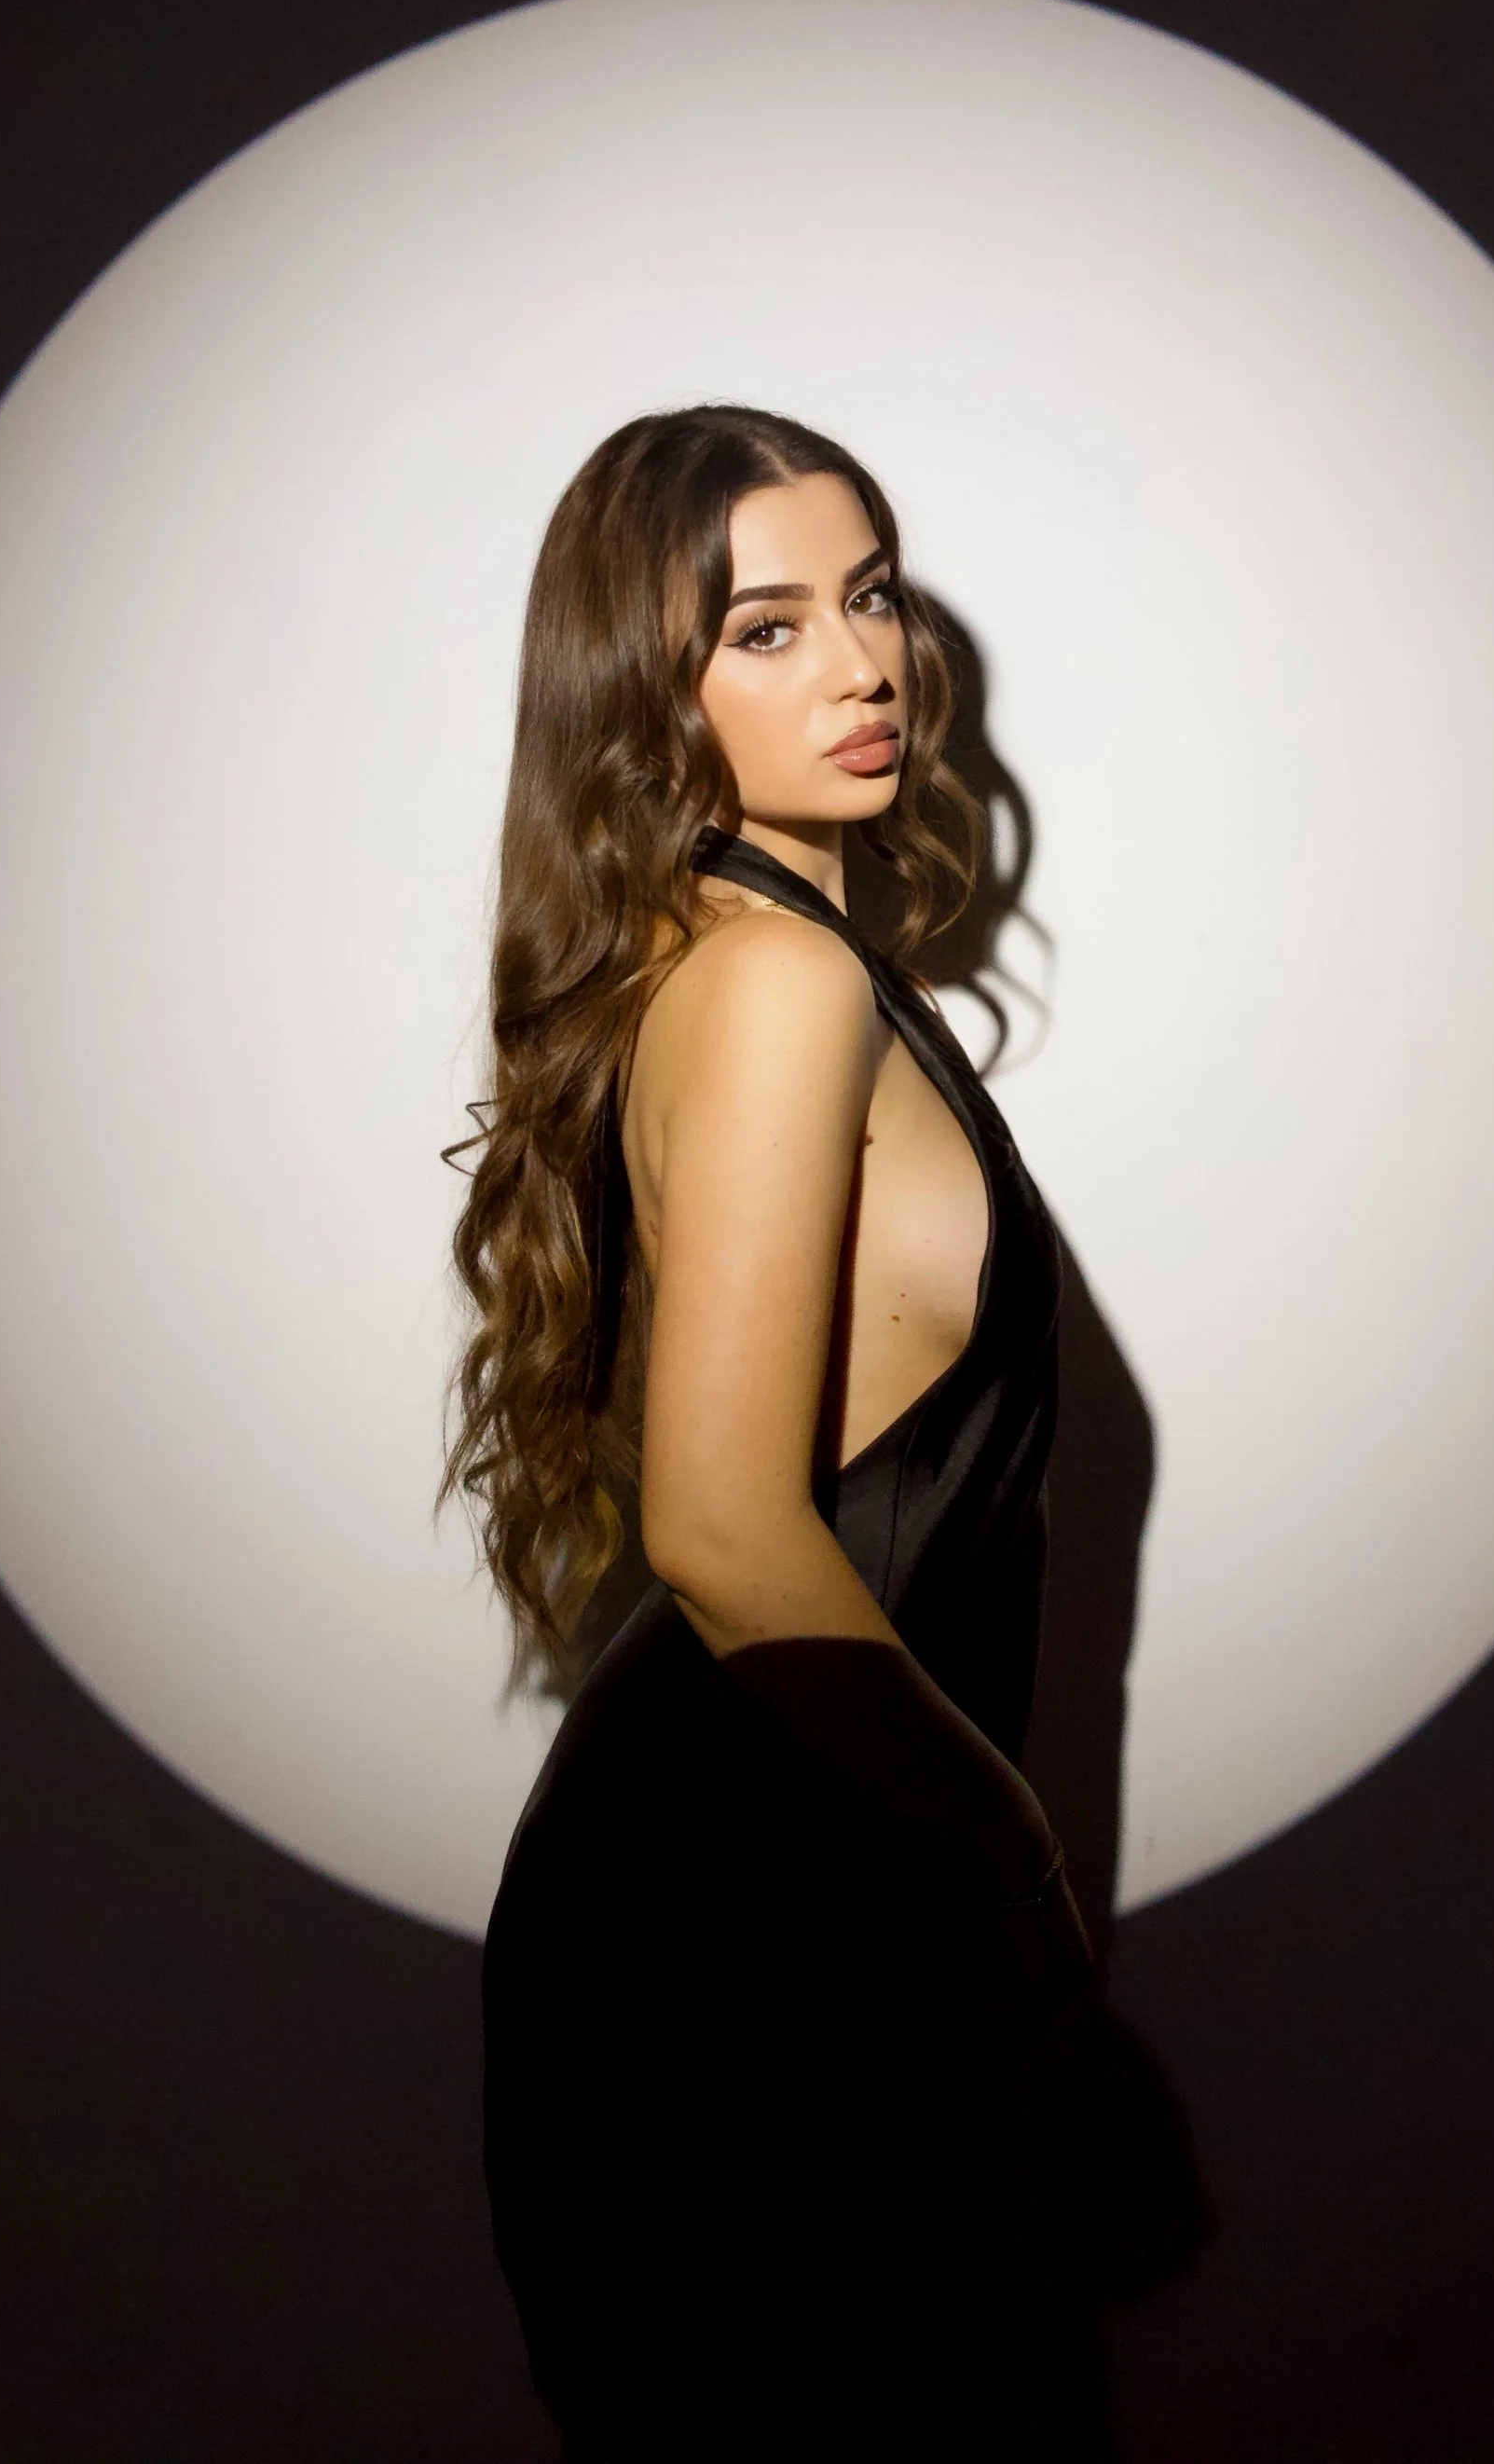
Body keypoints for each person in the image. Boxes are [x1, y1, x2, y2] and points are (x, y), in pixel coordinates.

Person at [444, 403, 1097, 2457]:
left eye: (873, 597)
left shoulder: (785, 962)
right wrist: (1008, 1847)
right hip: (744, 1933)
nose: (863, 664)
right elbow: (725, 1530)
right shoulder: (772, 990)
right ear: (645, 691)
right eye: (765, 628)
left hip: (797, 1901)